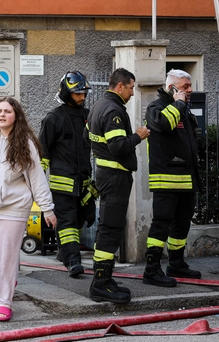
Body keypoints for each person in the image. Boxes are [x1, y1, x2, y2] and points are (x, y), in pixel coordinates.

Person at [0, 97, 57, 322]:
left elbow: (37, 179)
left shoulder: (25, 143)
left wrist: (47, 209)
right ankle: (5, 281)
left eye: (7, 111)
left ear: (16, 116)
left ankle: (5, 301)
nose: (2, 115)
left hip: (14, 208)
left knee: (6, 258)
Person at [85, 68, 150, 303]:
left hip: (107, 174)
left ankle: (105, 278)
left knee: (109, 227)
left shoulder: (99, 106)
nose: (133, 93)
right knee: (110, 229)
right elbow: (118, 146)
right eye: (131, 88)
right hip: (114, 176)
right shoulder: (113, 110)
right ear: (120, 86)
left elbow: (87, 137)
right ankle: (100, 284)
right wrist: (138, 136)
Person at [142, 69, 201, 287]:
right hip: (166, 179)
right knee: (161, 225)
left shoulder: (184, 109)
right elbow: (164, 125)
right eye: (185, 87)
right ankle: (152, 269)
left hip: (186, 179)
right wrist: (178, 104)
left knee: (182, 224)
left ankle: (176, 263)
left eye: (190, 86)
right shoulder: (156, 108)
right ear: (171, 88)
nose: (190, 90)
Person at [38, 71, 97, 277]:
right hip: (62, 185)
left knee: (83, 219)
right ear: (66, 93)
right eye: (77, 93)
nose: (82, 97)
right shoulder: (54, 119)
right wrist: (37, 185)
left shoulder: (88, 116)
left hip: (84, 183)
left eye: (83, 93)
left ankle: (64, 253)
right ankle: (73, 261)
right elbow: (42, 154)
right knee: (67, 223)